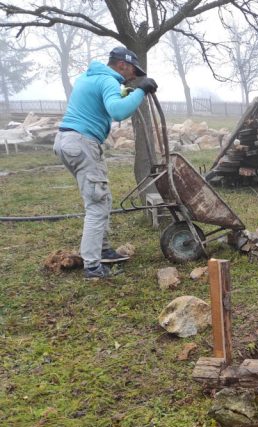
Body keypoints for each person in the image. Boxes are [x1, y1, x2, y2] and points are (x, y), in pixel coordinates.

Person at [53, 46, 158, 279]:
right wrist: (140, 91)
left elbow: (111, 103)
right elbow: (118, 112)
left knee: (101, 197)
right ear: (123, 64)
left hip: (68, 141)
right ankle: (93, 266)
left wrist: (130, 90)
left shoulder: (92, 77)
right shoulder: (108, 80)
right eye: (134, 71)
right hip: (82, 141)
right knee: (97, 204)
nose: (134, 76)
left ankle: (102, 249)